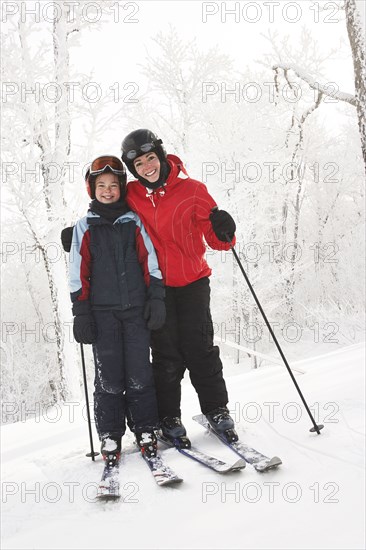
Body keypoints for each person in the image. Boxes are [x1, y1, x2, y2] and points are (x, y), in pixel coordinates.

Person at [120, 129, 237, 443]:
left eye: (150, 158)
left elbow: (219, 241)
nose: (147, 167)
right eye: (139, 164)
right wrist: (77, 232)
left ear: (159, 155)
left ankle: (217, 410)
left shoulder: (193, 191)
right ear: (133, 169)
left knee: (200, 350)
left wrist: (224, 228)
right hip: (155, 289)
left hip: (193, 282)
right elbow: (102, 207)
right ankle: (168, 416)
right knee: (166, 355)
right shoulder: (130, 195)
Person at [69, 155, 166, 462]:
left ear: (122, 188)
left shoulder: (133, 221)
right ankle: (110, 434)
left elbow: (149, 261)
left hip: (136, 310)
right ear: (91, 189)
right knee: (109, 378)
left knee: (139, 372)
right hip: (101, 314)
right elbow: (77, 272)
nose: (108, 191)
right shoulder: (84, 227)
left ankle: (146, 428)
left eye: (113, 185)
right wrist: (81, 312)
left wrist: (156, 298)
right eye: (102, 186)